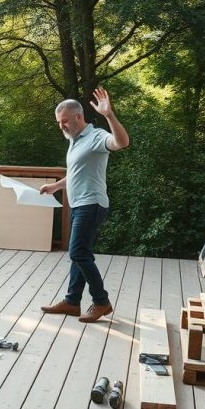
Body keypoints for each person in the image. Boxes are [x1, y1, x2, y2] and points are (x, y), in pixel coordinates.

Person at [39, 87, 130, 323]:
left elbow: (122, 142)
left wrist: (109, 115)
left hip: (92, 204)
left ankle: (101, 302)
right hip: (78, 204)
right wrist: (56, 187)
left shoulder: (96, 136)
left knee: (78, 252)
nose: (62, 126)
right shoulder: (74, 140)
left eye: (65, 121)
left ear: (79, 117)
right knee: (79, 253)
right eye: (59, 123)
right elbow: (76, 173)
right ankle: (72, 301)